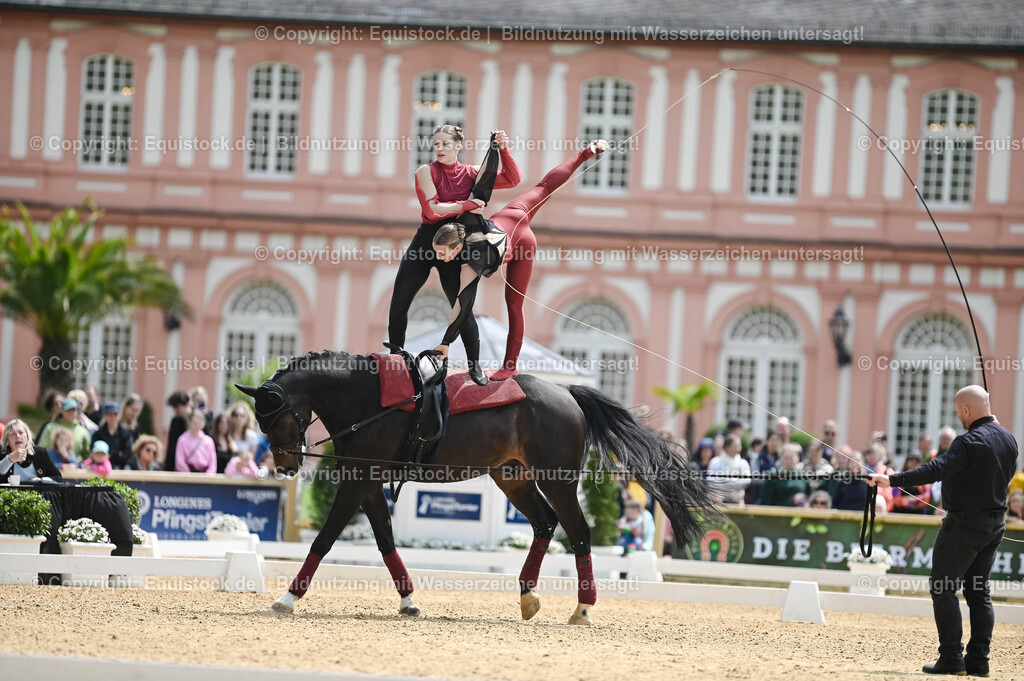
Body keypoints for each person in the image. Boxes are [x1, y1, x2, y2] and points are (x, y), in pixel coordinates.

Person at [868, 385, 1017, 677]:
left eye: (958, 411)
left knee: (943, 587)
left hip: (964, 524)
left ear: (965, 411)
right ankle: (978, 661)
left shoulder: (968, 441)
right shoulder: (1009, 439)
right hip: (995, 523)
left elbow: (935, 470)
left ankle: (951, 657)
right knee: (978, 591)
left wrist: (891, 479)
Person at [431, 139, 609, 380]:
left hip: (522, 244)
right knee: (543, 187)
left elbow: (463, 305)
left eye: (443, 253)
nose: (440, 258)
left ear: (457, 245)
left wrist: (445, 342)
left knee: (514, 306)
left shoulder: (474, 261)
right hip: (512, 213)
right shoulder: (466, 221)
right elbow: (484, 179)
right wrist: (497, 148)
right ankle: (585, 153)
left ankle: (510, 365)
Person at [389, 125, 521, 385]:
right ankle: (396, 355)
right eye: (436, 144)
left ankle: (474, 365)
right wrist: (468, 205)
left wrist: (503, 150)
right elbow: (434, 210)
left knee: (462, 305)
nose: (440, 148)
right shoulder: (426, 171)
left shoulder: (471, 173)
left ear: (458, 145)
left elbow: (513, 179)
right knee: (400, 297)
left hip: (453, 248)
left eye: (446, 144)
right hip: (427, 242)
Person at [707, 434, 751, 504]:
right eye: (735, 446)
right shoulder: (715, 462)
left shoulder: (743, 463)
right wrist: (734, 481)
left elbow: (747, 481)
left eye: (740, 445)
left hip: (738, 498)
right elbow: (711, 481)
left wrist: (727, 481)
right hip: (718, 499)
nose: (739, 448)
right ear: (727, 447)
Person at [91, 402, 135, 469]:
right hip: (101, 468)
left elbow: (128, 454)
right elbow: (93, 452)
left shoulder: (126, 433)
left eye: (115, 414)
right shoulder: (98, 434)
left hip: (121, 468)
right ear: (105, 415)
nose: (112, 417)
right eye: (110, 414)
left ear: (120, 416)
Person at [174, 408, 217, 474]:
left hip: (205, 475)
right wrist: (188, 475)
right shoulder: (182, 439)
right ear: (189, 422)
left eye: (200, 422)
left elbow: (212, 463)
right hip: (188, 475)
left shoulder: (209, 441)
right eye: (195, 422)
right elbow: (180, 461)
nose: (197, 425)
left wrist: (208, 476)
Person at [164, 390, 190, 472]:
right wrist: (168, 467)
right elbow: (171, 446)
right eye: (174, 408)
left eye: (177, 407)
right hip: (177, 466)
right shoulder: (175, 421)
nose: (175, 410)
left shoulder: (198, 419)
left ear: (186, 404)